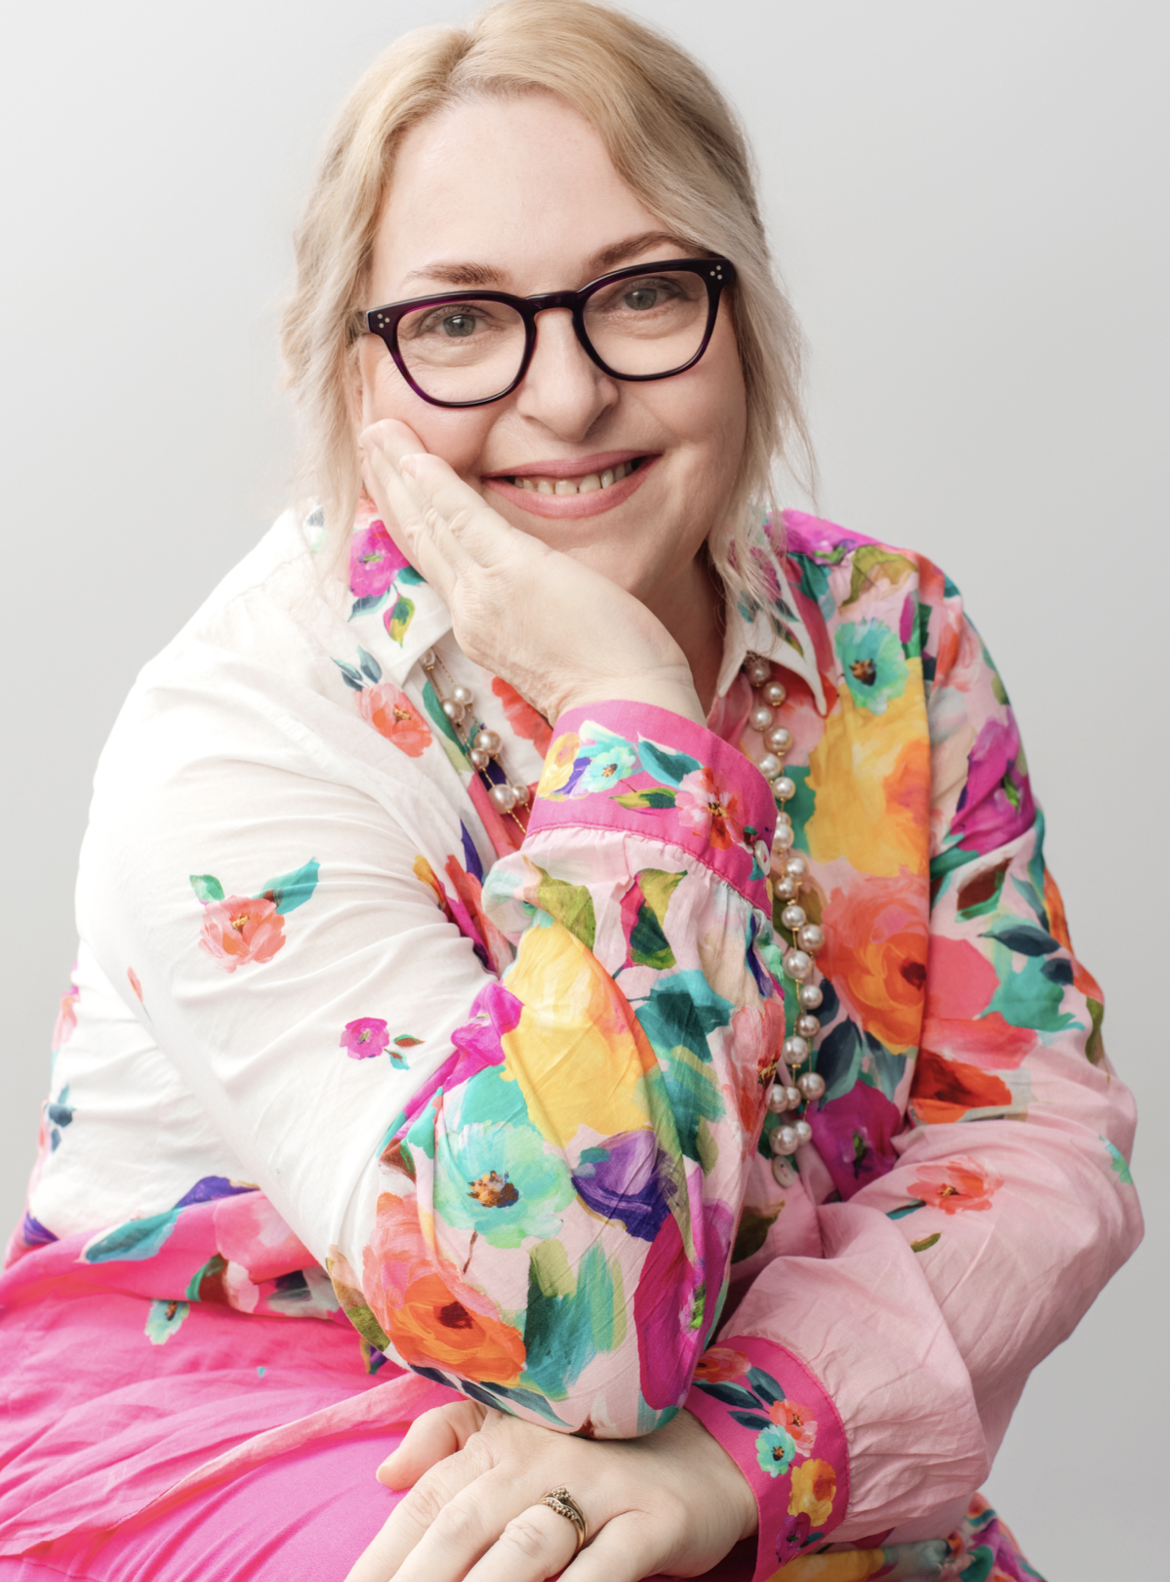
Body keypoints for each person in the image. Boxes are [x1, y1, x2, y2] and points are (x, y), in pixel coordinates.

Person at [0, 2, 1141, 1579]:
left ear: (742, 312)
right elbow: (565, 1321)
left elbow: (1034, 1143)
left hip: (736, 1425)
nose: (565, 396)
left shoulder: (889, 642)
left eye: (643, 292)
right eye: (460, 321)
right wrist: (630, 715)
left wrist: (753, 1447)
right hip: (251, 1427)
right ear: (342, 366)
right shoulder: (240, 731)